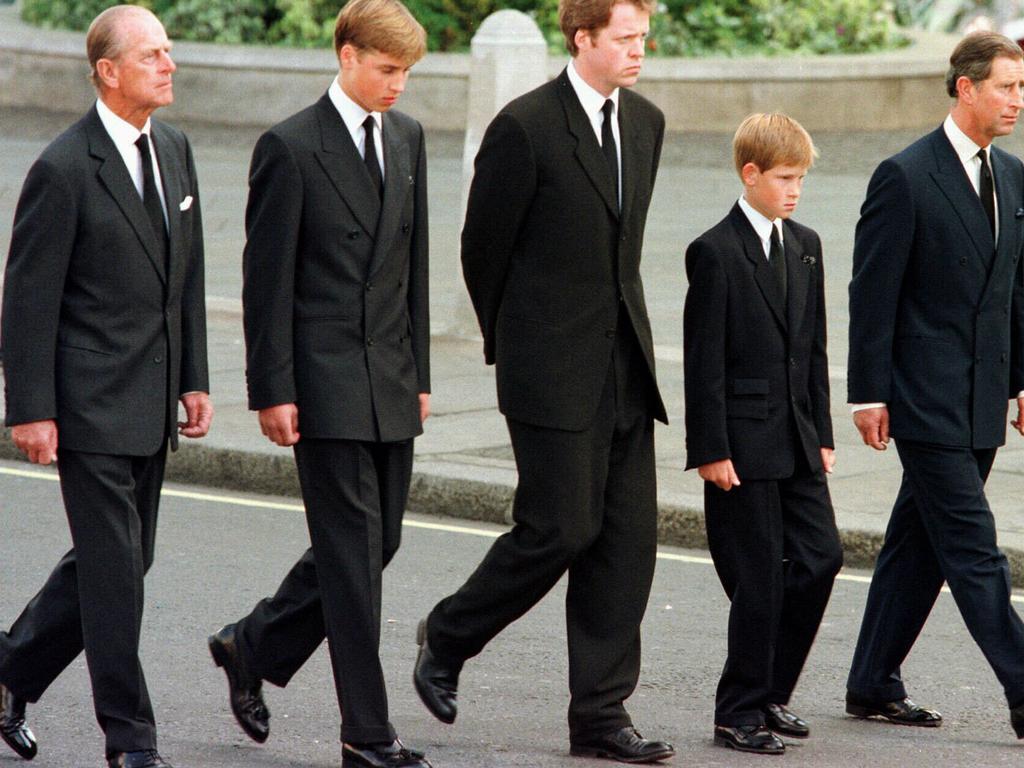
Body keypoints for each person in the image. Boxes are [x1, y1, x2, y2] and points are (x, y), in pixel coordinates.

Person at [412, 0, 674, 762]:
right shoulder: (525, 127)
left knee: (627, 545)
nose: (638, 51)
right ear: (582, 37)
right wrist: (518, 346)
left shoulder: (646, 124)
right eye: (625, 38)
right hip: (549, 371)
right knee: (560, 527)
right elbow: (481, 249)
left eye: (643, 38)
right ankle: (449, 634)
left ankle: (599, 716)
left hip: (626, 366)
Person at [208, 1, 431, 766]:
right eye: (386, 69)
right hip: (322, 382)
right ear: (345, 55)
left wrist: (423, 375)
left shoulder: (407, 138)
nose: (398, 86)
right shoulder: (290, 146)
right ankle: (366, 734)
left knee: (380, 543)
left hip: (392, 379)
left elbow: (414, 267)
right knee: (350, 561)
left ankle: (253, 644)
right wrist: (271, 388)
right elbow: (264, 281)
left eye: (406, 73)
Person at [0, 6, 211, 767]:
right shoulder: (63, 168)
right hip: (86, 406)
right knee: (117, 576)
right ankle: (131, 741)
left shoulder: (176, 149)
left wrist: (195, 378)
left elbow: (185, 275)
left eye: (169, 51)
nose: (170, 64)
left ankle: (9, 668)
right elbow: (28, 300)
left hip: (151, 402)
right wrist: (30, 410)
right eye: (153, 54)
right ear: (109, 71)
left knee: (119, 560)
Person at [846, 31, 1024, 740]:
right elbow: (873, 292)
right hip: (922, 399)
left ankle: (871, 678)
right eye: (1007, 86)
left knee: (915, 545)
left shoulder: (1013, 176)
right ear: (966, 88)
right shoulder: (905, 175)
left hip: (981, 397)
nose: (1018, 99)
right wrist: (867, 393)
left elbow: (1015, 292)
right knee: (974, 546)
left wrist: (1021, 380)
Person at [683, 113, 842, 755]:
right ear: (750, 175)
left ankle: (772, 689)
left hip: (799, 437)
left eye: (801, 178)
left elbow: (816, 348)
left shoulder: (806, 243)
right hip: (741, 446)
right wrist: (710, 449)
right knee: (759, 578)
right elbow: (703, 362)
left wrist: (823, 431)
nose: (795, 189)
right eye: (785, 178)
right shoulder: (715, 250)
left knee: (822, 557)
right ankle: (738, 712)